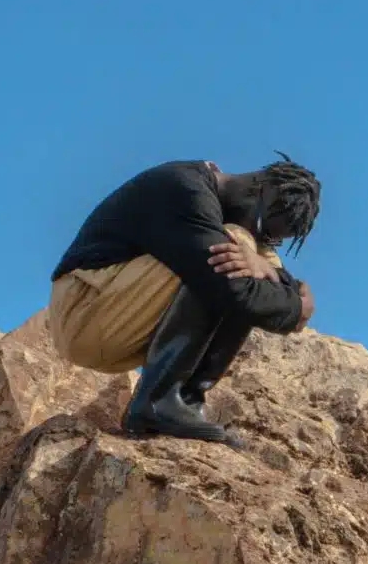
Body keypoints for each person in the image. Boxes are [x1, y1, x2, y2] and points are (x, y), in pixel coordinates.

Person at [48, 154, 320, 447]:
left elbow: (258, 287)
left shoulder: (220, 211)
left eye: (273, 238)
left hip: (115, 317)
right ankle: (157, 402)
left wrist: (284, 283)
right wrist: (296, 308)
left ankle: (186, 402)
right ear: (256, 188)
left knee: (249, 260)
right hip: (84, 312)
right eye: (263, 226)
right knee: (235, 250)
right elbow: (237, 291)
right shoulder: (184, 187)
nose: (262, 237)